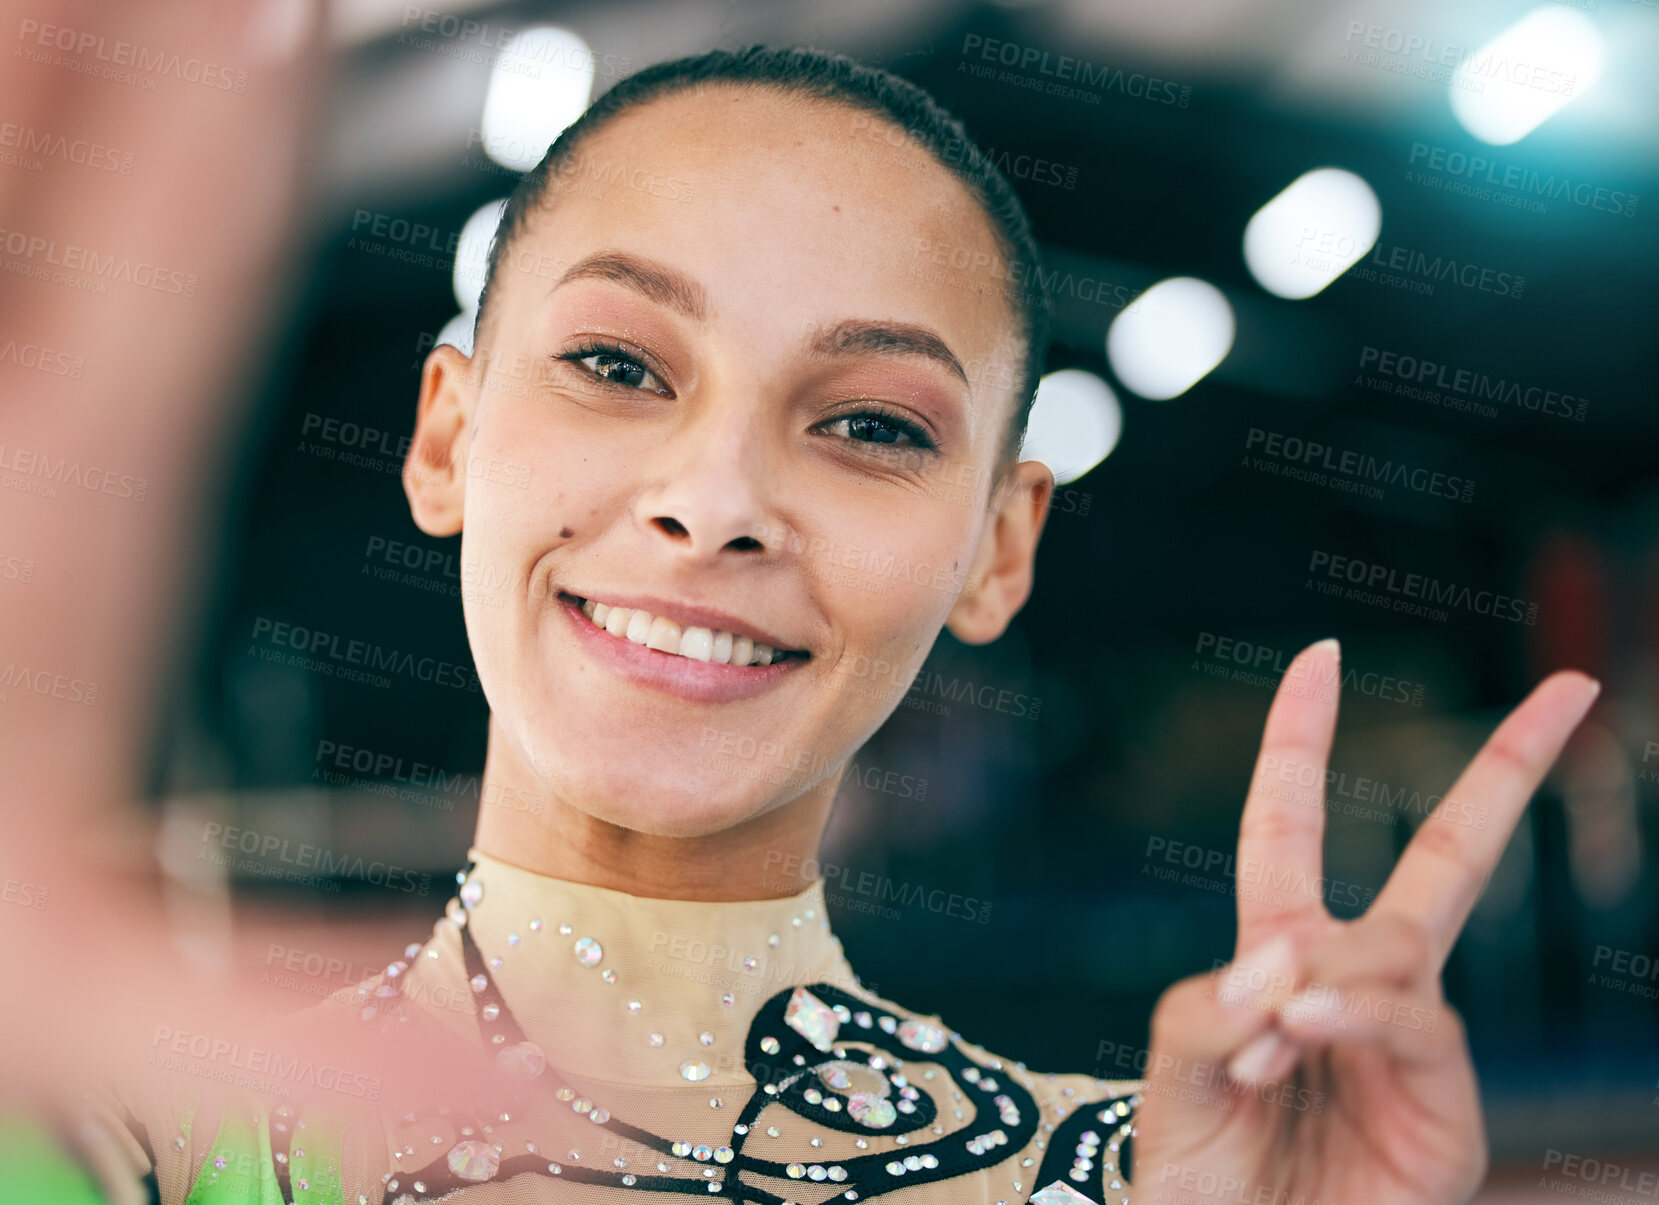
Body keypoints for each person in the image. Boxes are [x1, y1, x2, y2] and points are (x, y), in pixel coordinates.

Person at [55, 43, 1598, 1205]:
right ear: (450, 436)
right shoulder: (141, 1135)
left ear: (999, 550)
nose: (715, 497)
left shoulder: (1151, 1176)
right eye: (617, 362)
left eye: (868, 424)